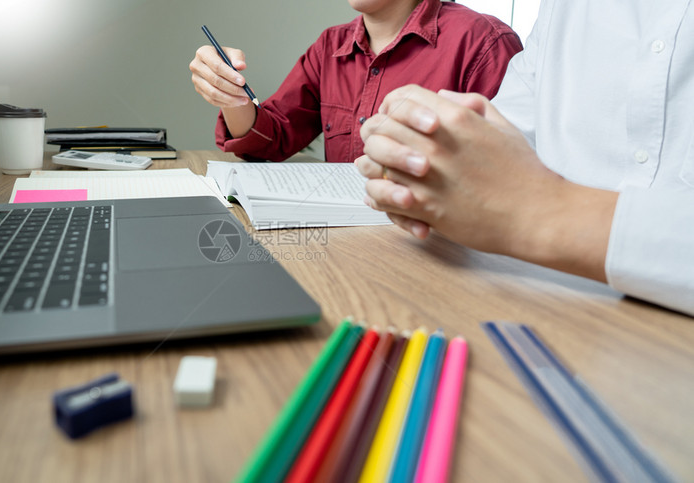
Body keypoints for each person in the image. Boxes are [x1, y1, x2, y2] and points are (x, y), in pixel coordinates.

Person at [355, 0, 694, 316]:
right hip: (542, 298)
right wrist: (423, 160)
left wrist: (541, 210)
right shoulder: (562, 8)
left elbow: (503, 186)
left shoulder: (477, 35)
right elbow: (501, 136)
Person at [189, 0, 522, 163]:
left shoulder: (483, 42)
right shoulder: (329, 47)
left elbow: (510, 174)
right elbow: (272, 137)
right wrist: (231, 96)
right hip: (349, 251)